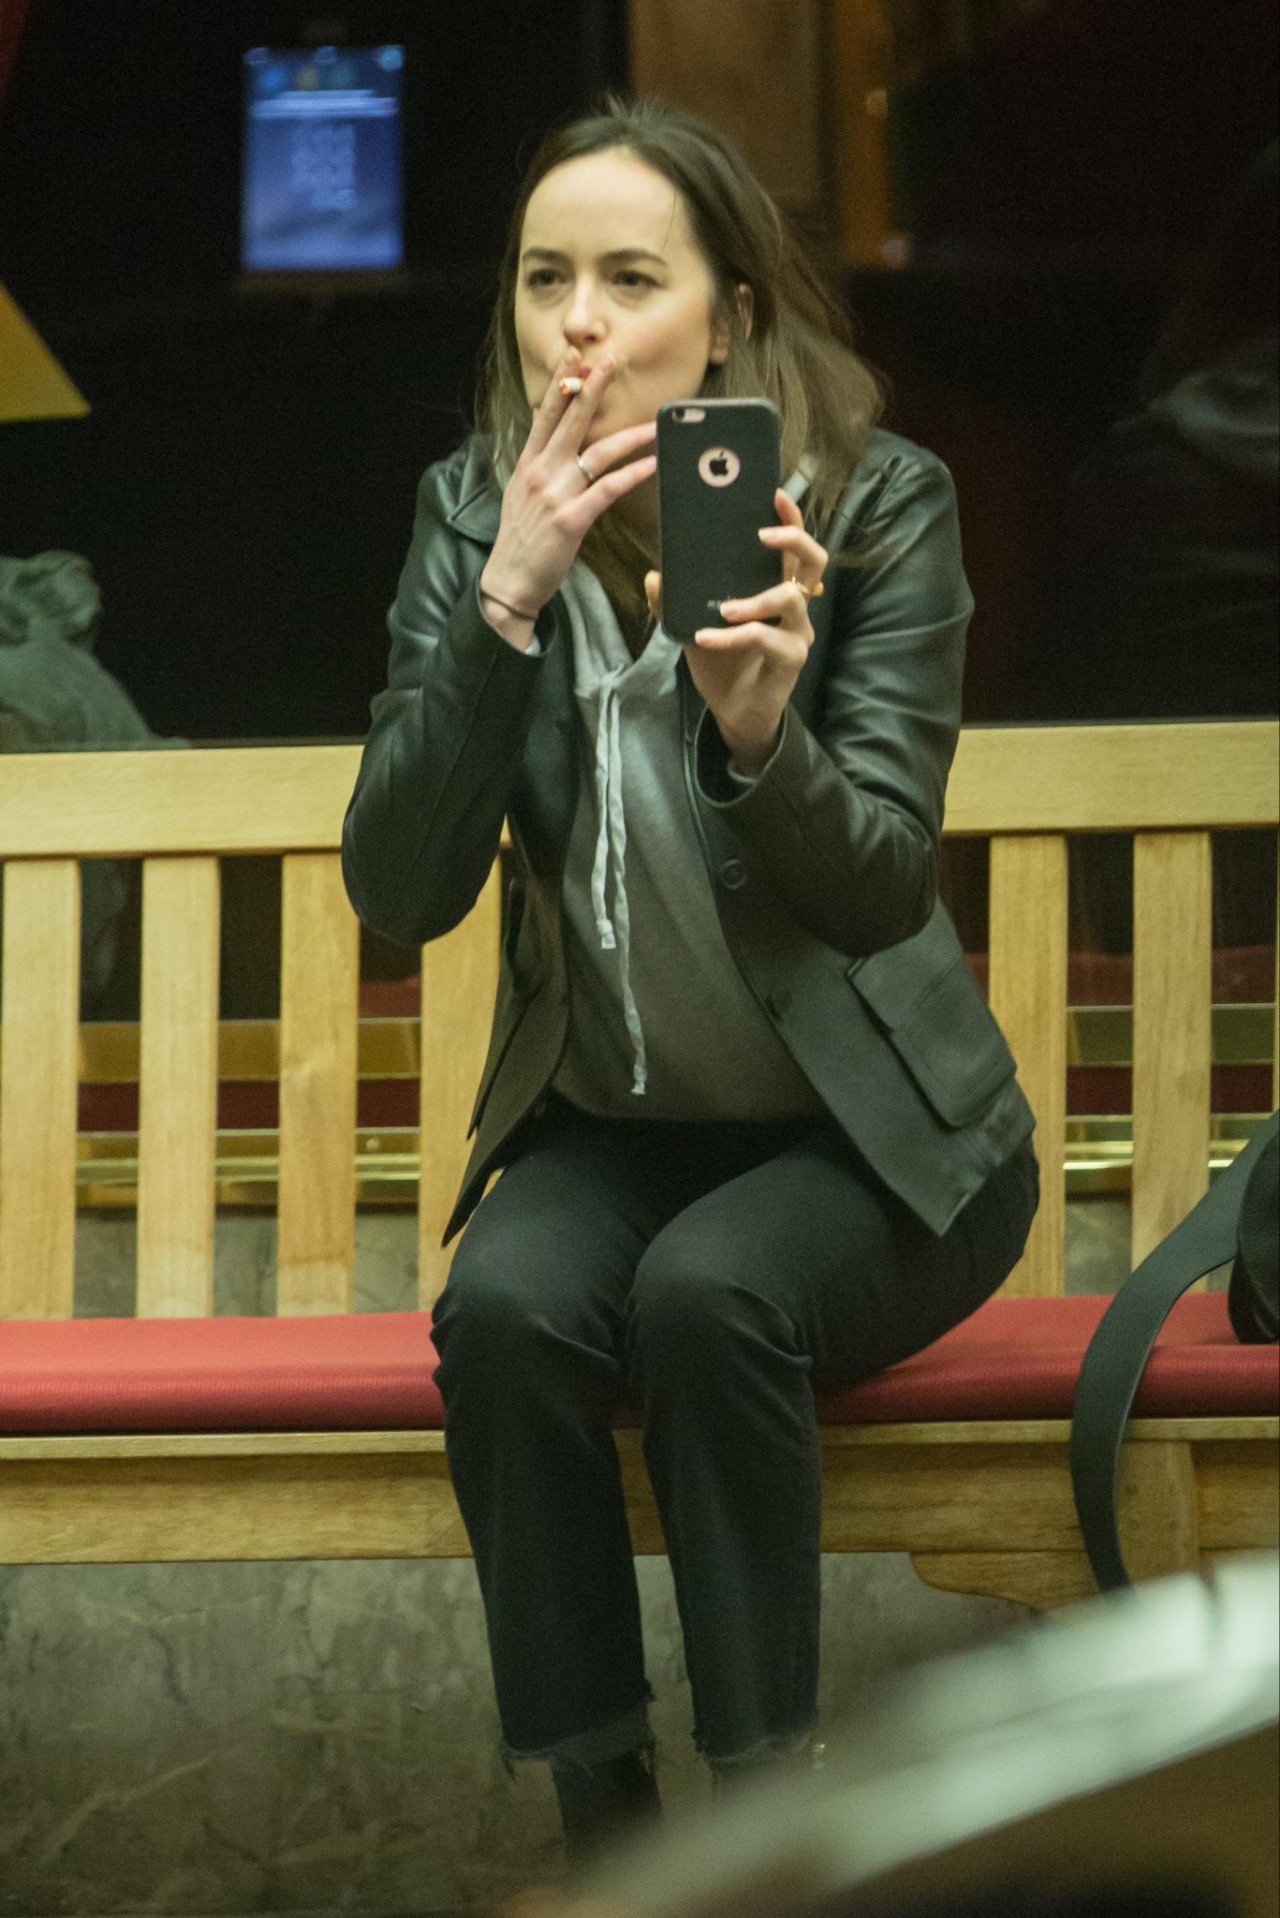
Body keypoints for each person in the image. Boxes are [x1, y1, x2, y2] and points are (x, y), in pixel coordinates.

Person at [342, 96, 1038, 1871]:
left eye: (629, 278)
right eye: (543, 278)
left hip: (880, 1149)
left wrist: (760, 740)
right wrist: (503, 615)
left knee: (713, 1295)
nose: (576, 322)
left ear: (726, 316)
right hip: (620, 1131)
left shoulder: (875, 506)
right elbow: (399, 888)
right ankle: (609, 1836)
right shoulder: (472, 518)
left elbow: (879, 883)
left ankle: (762, 1839)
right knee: (505, 1309)